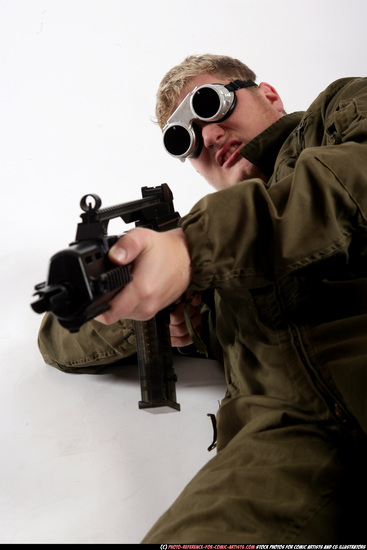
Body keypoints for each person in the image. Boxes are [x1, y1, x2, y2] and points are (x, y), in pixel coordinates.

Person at [37, 54, 367, 543]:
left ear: (269, 95)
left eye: (210, 104)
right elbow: (57, 342)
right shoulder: (202, 272)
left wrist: (192, 248)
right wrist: (150, 305)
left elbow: (348, 182)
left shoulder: (340, 113)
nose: (208, 137)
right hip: (281, 444)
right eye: (185, 139)